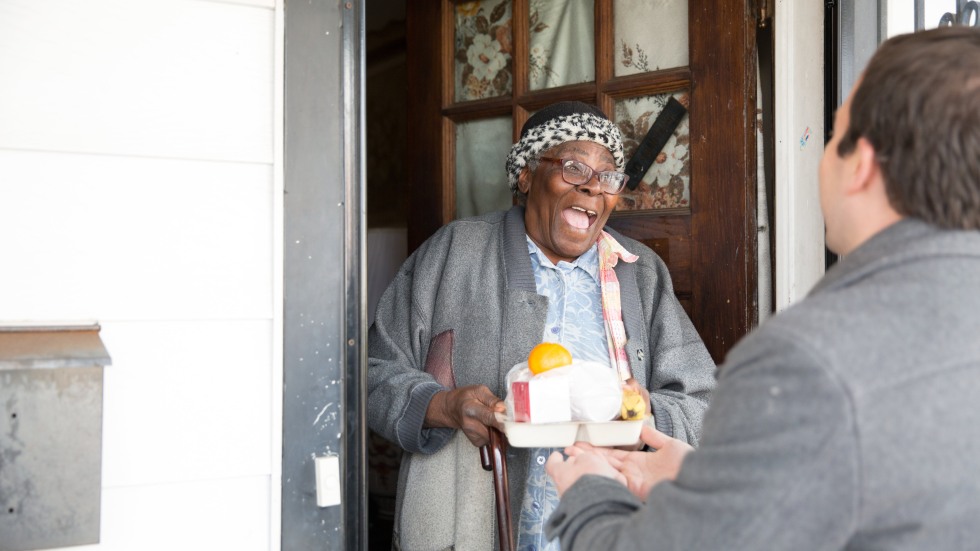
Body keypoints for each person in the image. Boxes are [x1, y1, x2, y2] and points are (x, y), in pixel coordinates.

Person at [544, 26, 980, 550]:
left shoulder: (803, 361)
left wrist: (590, 491)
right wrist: (709, 479)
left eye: (833, 137)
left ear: (860, 166)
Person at [367, 101, 716, 550]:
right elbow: (371, 373)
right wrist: (445, 406)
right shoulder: (456, 252)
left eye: (607, 175)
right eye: (573, 167)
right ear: (527, 176)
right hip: (474, 526)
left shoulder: (639, 272)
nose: (593, 188)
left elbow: (704, 403)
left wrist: (647, 414)